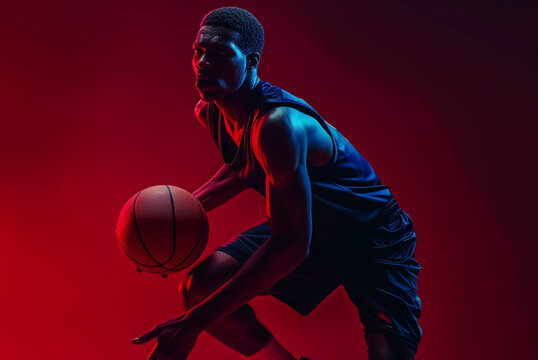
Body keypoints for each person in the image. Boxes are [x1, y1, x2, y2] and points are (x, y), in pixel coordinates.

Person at [131, 7, 422, 360]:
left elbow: (291, 246)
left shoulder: (278, 125)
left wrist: (190, 325)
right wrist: (177, 216)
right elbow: (244, 167)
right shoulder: (211, 112)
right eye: (198, 51)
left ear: (250, 61)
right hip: (308, 228)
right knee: (200, 287)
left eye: (220, 52)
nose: (203, 62)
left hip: (371, 237)